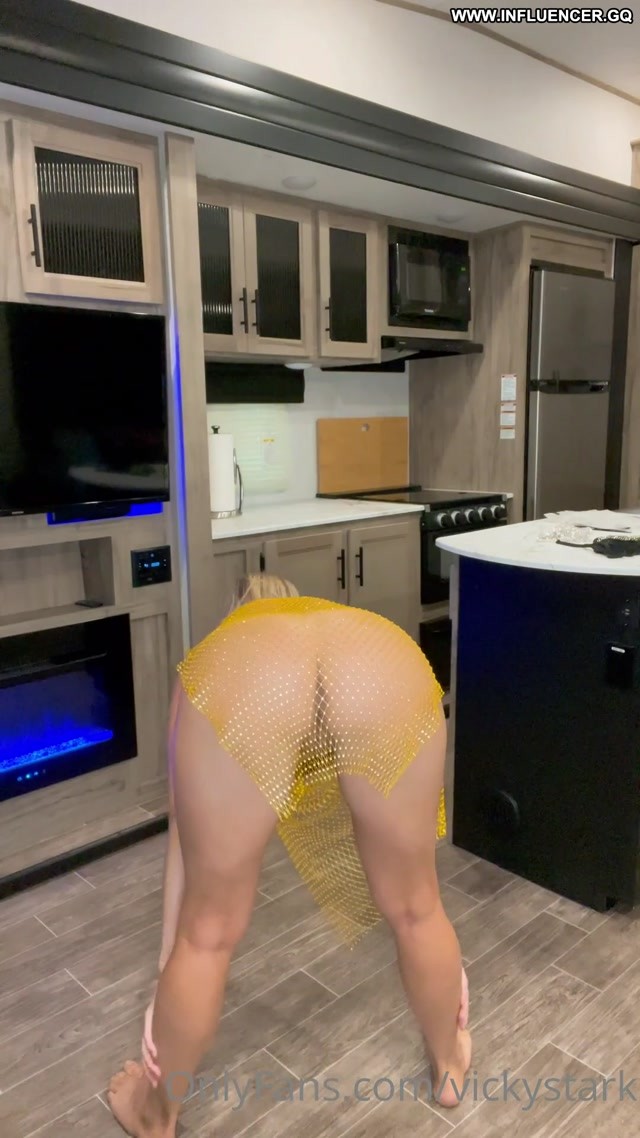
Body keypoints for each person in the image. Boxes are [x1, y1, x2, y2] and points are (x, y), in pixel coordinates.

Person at [108, 574, 470, 1137]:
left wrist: (167, 966)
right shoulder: (339, 624)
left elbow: (183, 837)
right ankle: (449, 1065)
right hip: (384, 661)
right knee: (419, 907)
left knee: (207, 936)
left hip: (259, 692)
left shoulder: (219, 657)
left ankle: (156, 1115)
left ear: (237, 614)